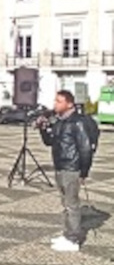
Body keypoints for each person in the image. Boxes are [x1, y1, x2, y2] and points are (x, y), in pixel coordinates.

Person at [37, 90, 95, 253]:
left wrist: (84, 172)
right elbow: (50, 142)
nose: (55, 104)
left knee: (72, 204)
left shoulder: (78, 122)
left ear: (69, 104)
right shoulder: (60, 121)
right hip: (60, 166)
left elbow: (85, 149)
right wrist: (43, 128)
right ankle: (67, 233)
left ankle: (74, 239)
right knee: (65, 203)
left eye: (59, 101)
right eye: (55, 101)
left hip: (72, 167)